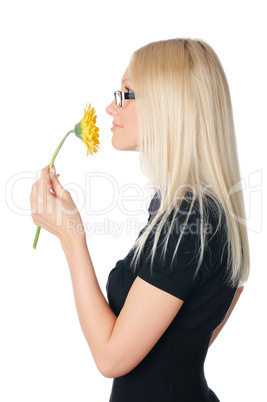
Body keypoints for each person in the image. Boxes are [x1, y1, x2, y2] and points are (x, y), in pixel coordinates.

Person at [30, 38, 250, 401]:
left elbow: (110, 358)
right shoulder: (192, 209)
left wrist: (71, 236)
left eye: (125, 94)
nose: (109, 108)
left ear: (168, 105)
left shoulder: (189, 220)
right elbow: (213, 309)